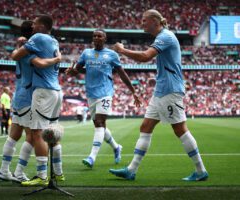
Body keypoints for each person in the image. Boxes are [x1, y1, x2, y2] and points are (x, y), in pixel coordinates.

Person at [109, 9, 208, 181]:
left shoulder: (165, 36)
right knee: (145, 127)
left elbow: (145, 57)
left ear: (156, 20)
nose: (142, 23)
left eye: (144, 20)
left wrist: (123, 50)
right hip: (161, 91)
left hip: (170, 90)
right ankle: (131, 170)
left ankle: (200, 171)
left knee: (180, 129)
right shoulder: (162, 37)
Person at [0, 20, 62, 183]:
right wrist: (57, 59)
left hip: (18, 94)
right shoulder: (30, 52)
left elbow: (14, 55)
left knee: (13, 136)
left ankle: (4, 170)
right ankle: (20, 172)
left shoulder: (20, 50)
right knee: (31, 136)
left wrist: (19, 45)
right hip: (28, 96)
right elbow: (40, 64)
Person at [66, 29, 140, 168]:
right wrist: (73, 71)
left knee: (99, 122)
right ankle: (116, 147)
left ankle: (92, 157)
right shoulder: (86, 53)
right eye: (94, 36)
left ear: (105, 39)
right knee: (100, 126)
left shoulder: (112, 55)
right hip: (91, 93)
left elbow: (122, 73)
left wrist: (133, 91)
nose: (96, 38)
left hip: (105, 93)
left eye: (99, 36)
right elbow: (78, 69)